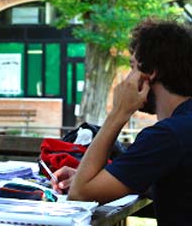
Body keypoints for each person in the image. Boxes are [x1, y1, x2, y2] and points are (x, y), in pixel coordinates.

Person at [51, 19, 192, 225]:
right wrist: (113, 178)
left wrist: (118, 112)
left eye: (132, 67)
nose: (127, 79)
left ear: (150, 73)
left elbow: (80, 194)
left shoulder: (168, 135)